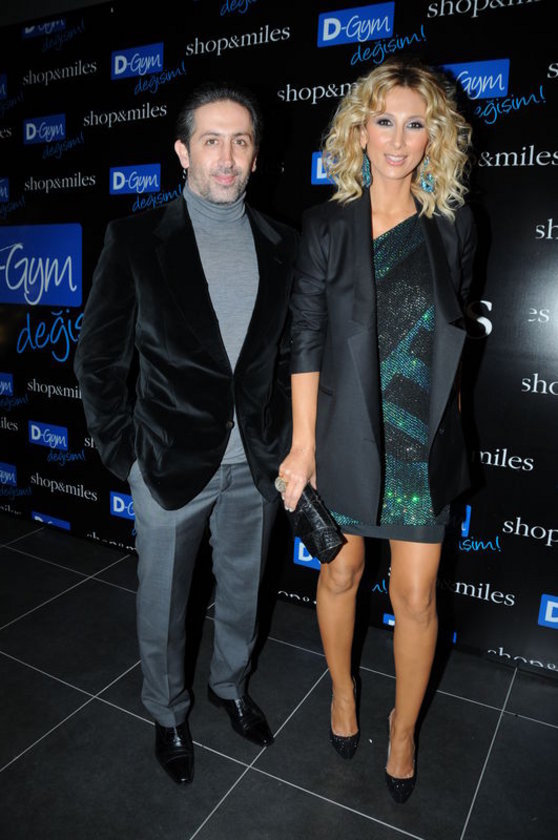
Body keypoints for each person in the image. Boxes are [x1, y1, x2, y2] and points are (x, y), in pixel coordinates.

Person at [74, 82, 298, 785]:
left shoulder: (284, 244)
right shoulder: (136, 238)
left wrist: (284, 440)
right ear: (182, 151)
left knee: (244, 592)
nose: (226, 157)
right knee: (163, 605)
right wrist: (126, 456)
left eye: (240, 142)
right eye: (210, 140)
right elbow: (98, 358)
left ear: (255, 155)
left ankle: (230, 687)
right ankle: (167, 711)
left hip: (254, 466)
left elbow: (289, 359)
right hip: (167, 465)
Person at [279, 57, 475, 803]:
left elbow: (454, 332)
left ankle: (402, 729)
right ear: (360, 131)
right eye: (384, 121)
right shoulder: (326, 226)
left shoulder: (453, 226)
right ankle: (342, 690)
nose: (398, 139)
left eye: (415, 124)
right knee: (341, 571)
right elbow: (304, 339)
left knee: (417, 598)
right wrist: (302, 447)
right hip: (344, 433)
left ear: (435, 136)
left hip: (420, 438)